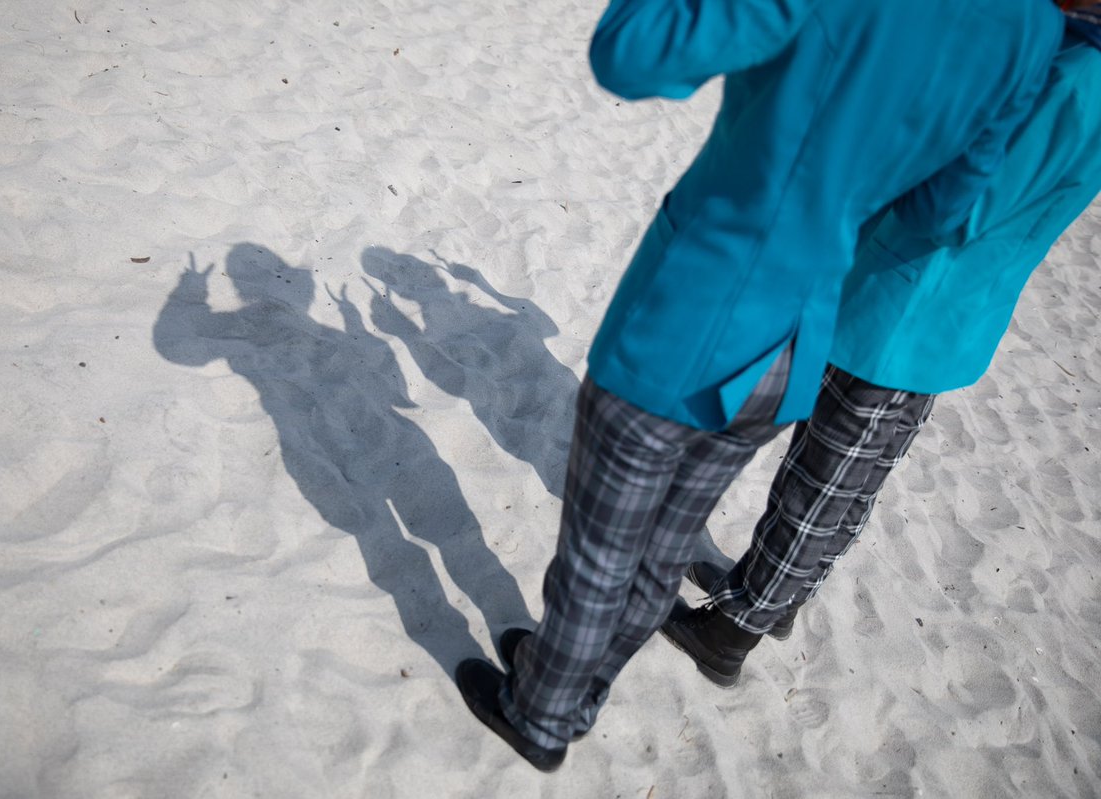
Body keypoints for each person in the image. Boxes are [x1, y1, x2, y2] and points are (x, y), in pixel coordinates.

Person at [453, 0, 1064, 772]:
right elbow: (938, 209)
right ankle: (578, 685)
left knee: (602, 550)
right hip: (801, 332)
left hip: (697, 305)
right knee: (662, 547)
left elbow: (630, 53)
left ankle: (542, 712)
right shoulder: (1033, 29)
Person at [663, 2, 1101, 688]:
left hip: (906, 304)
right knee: (847, 474)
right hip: (938, 311)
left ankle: (734, 629)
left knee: (825, 477)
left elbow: (969, 205)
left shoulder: (1077, 76)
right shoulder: (1074, 60)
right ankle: (773, 595)